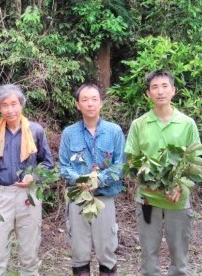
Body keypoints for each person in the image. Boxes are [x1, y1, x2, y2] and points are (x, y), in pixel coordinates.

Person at [125, 70, 202, 275]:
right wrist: (148, 181)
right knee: (148, 258)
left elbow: (195, 161)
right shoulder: (139, 125)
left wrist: (180, 185)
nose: (160, 91)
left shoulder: (187, 124)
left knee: (179, 257)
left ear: (173, 90)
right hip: (148, 199)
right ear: (148, 93)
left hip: (178, 199)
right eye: (155, 87)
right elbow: (132, 160)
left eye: (165, 86)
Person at [0, 84, 54, 276]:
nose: (10, 109)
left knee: (29, 249)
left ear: (21, 104)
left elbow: (48, 163)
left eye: (14, 104)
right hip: (2, 195)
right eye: (5, 105)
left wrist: (34, 176)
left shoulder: (35, 131)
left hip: (30, 195)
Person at [59, 83, 125, 276]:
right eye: (85, 100)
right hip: (78, 199)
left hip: (104, 199)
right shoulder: (69, 133)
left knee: (107, 250)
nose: (90, 104)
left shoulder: (114, 131)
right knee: (79, 251)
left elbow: (119, 166)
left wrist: (97, 180)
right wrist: (80, 180)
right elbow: (63, 167)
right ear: (78, 105)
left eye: (94, 99)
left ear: (101, 104)